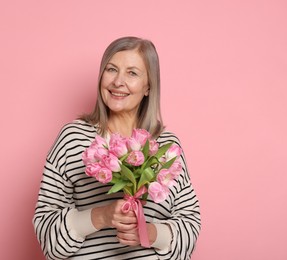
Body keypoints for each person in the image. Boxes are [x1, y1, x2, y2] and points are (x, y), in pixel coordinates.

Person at [33, 36, 201, 259]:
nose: (118, 82)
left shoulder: (166, 147)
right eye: (111, 69)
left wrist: (151, 233)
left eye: (132, 73)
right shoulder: (72, 139)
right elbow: (47, 236)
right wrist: (100, 217)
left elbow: (190, 224)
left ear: (148, 86)